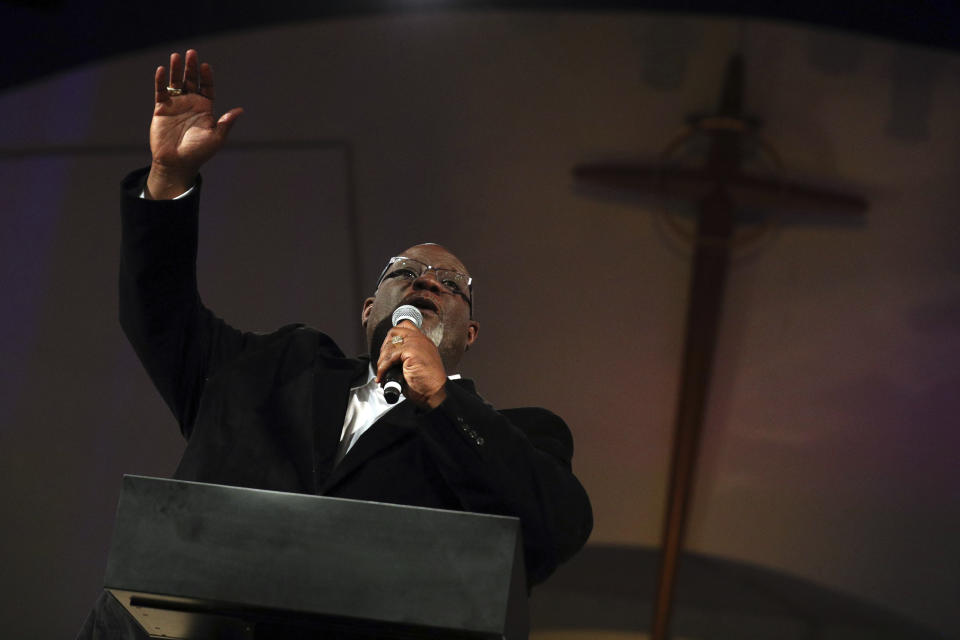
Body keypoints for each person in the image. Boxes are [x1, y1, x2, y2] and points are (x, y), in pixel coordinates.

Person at [78, 50, 591, 639]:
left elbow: (559, 529)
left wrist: (443, 404)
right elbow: (158, 314)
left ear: (469, 336)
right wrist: (167, 181)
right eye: (404, 270)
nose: (426, 281)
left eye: (451, 285)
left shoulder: (523, 435)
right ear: (370, 308)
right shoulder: (271, 368)